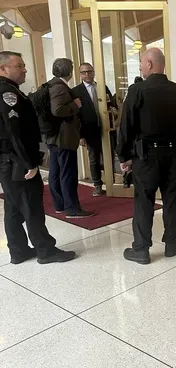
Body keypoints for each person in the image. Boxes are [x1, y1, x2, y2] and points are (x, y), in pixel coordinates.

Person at [116, 48, 176, 264]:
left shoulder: (137, 90)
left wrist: (124, 156)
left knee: (144, 201)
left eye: (141, 63)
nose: (140, 67)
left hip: (146, 156)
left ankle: (141, 249)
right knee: (170, 199)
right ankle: (172, 243)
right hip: (174, 155)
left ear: (150, 64)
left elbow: (126, 127)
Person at [0, 51, 76, 264]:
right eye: (19, 66)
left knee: (14, 208)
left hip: (8, 162)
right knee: (31, 206)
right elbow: (15, 132)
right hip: (17, 162)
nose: (24, 69)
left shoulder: (11, 90)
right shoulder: (8, 94)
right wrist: (29, 163)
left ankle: (18, 250)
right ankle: (46, 250)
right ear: (3, 68)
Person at [46, 58, 94, 218]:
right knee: (67, 173)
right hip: (63, 138)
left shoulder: (52, 84)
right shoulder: (60, 87)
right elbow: (58, 110)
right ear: (70, 71)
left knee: (56, 172)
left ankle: (60, 204)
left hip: (54, 137)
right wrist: (75, 105)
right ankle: (72, 208)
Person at [72, 62, 117, 197]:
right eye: (84, 72)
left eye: (90, 71)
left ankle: (111, 182)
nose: (87, 74)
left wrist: (114, 110)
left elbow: (113, 105)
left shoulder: (102, 87)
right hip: (89, 131)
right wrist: (80, 136)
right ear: (80, 74)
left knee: (109, 157)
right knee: (94, 159)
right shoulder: (76, 91)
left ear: (93, 72)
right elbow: (75, 116)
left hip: (107, 129)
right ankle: (97, 184)